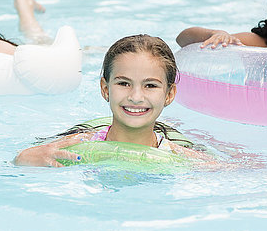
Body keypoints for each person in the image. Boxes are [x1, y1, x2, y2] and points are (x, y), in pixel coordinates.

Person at [14, 34, 211, 167]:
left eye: (150, 85)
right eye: (124, 83)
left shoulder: (181, 156)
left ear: (169, 94)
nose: (135, 97)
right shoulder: (75, 145)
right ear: (105, 89)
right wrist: (23, 158)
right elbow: (22, 160)